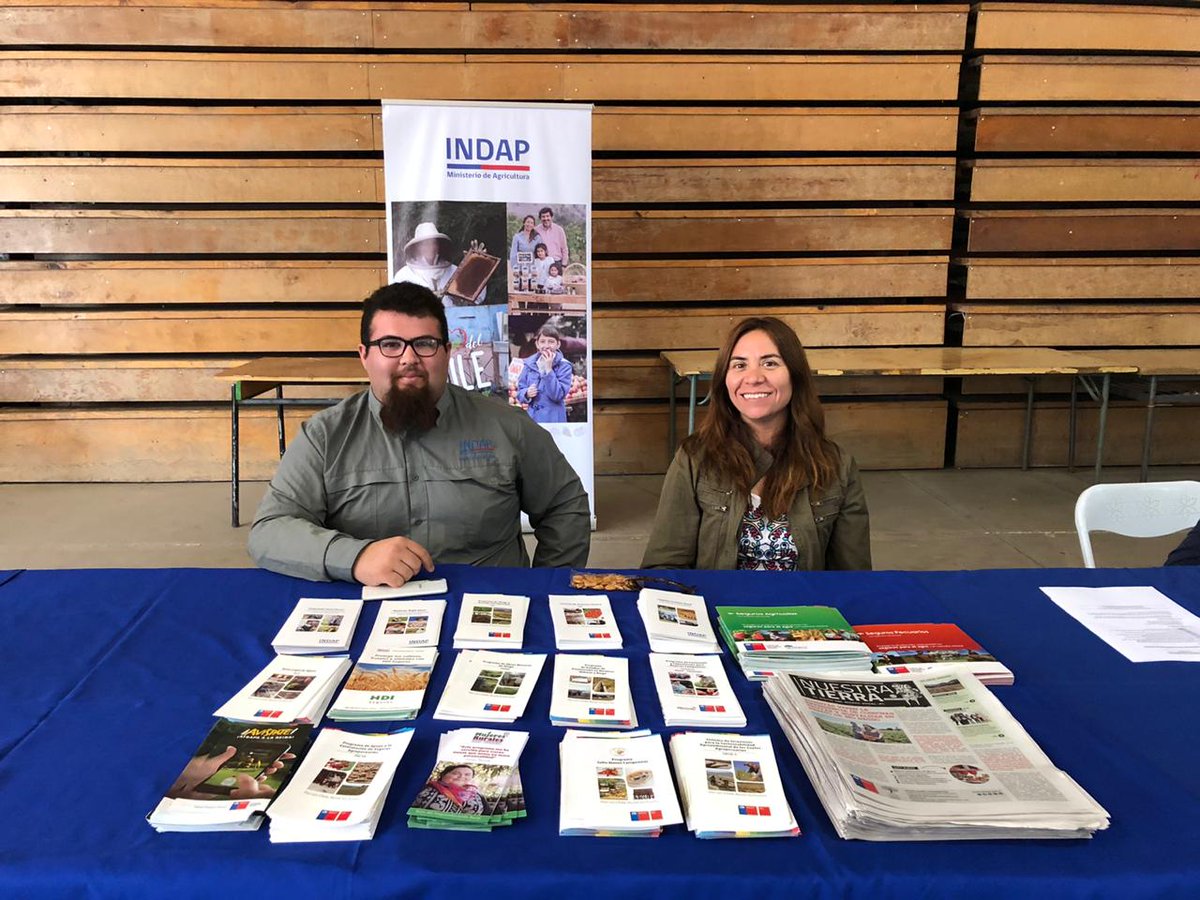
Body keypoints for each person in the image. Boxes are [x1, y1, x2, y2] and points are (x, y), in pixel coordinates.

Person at [248, 282, 590, 586]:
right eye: (390, 344)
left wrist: (547, 588)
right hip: (369, 610)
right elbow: (270, 531)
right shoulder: (325, 437)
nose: (409, 358)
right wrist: (354, 558)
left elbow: (565, 505)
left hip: (488, 612)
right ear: (364, 356)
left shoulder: (507, 427)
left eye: (425, 344)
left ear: (447, 352)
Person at [642, 316, 871, 571]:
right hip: (717, 607)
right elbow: (663, 566)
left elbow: (854, 578)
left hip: (803, 609)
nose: (753, 378)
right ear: (724, 380)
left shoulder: (836, 465)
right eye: (739, 365)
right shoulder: (693, 459)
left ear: (795, 376)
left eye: (770, 363)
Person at [393, 221, 487, 306]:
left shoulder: (454, 271)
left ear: (438, 245)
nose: (430, 247)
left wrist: (476, 267)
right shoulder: (404, 275)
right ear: (417, 247)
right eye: (425, 243)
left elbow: (476, 298)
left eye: (433, 243)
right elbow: (396, 306)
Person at [516, 324, 574, 424]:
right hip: (533, 418)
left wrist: (548, 369)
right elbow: (520, 390)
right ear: (537, 344)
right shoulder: (529, 364)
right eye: (542, 341)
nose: (546, 346)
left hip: (553, 418)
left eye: (551, 342)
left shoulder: (564, 366)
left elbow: (557, 395)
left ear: (558, 344)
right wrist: (526, 393)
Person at [410, 764, 486, 815]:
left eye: (467, 775)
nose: (461, 776)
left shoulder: (477, 796)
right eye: (455, 773)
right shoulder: (423, 788)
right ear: (443, 775)